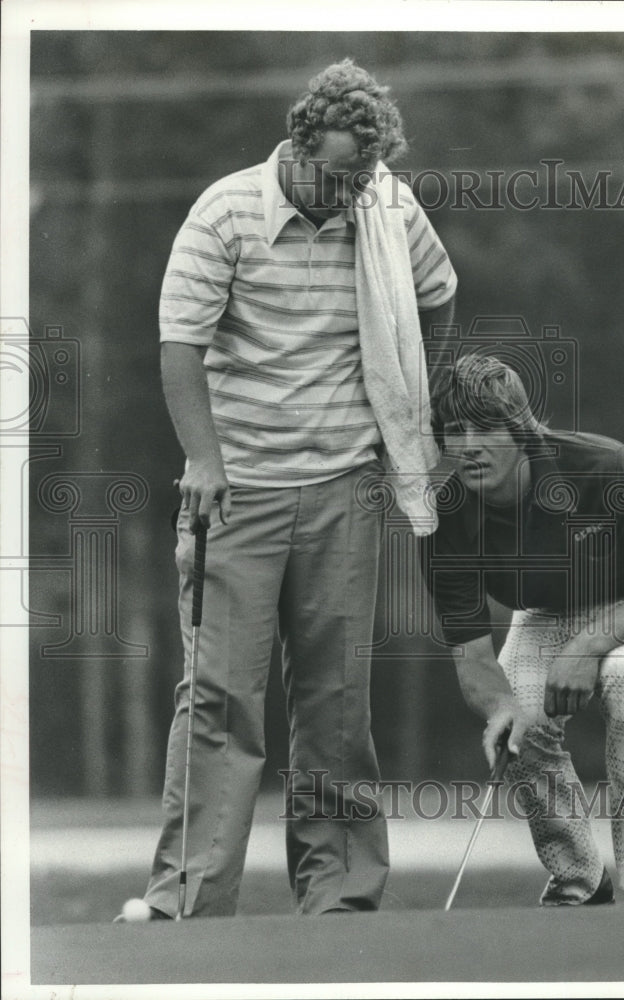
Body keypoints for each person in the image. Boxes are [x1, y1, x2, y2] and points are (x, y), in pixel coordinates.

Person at [133, 59, 456, 919]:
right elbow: (179, 347)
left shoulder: (385, 204)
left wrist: (402, 396)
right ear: (299, 142)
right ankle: (191, 897)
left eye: (364, 175)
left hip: (345, 486)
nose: (353, 190)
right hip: (237, 491)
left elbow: (435, 296)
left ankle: (342, 898)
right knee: (220, 698)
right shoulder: (226, 209)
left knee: (337, 702)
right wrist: (202, 458)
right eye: (339, 172)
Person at [421, 353, 624, 905]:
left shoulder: (602, 468)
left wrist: (591, 644)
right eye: (454, 431)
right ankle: (581, 880)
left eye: (485, 428)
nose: (468, 446)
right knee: (521, 717)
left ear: (521, 428)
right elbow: (475, 660)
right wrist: (501, 708)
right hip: (551, 612)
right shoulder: (447, 518)